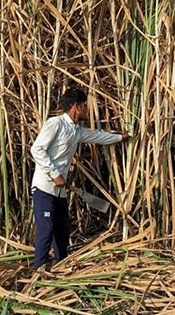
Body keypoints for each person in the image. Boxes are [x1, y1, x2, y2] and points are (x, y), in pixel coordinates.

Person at [30, 87, 129, 269]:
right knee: (46, 229)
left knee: (62, 229)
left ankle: (61, 265)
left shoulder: (76, 130)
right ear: (76, 106)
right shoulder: (55, 124)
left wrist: (119, 138)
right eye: (84, 106)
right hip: (44, 188)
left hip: (60, 191)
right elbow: (37, 149)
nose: (86, 110)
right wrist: (55, 174)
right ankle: (39, 269)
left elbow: (97, 136)